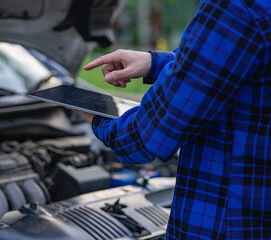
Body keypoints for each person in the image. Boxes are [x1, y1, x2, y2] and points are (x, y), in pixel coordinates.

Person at [78, 0, 271, 239]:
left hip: (228, 225)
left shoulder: (236, 5)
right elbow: (238, 59)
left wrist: (95, 116)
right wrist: (152, 63)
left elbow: (147, 135)